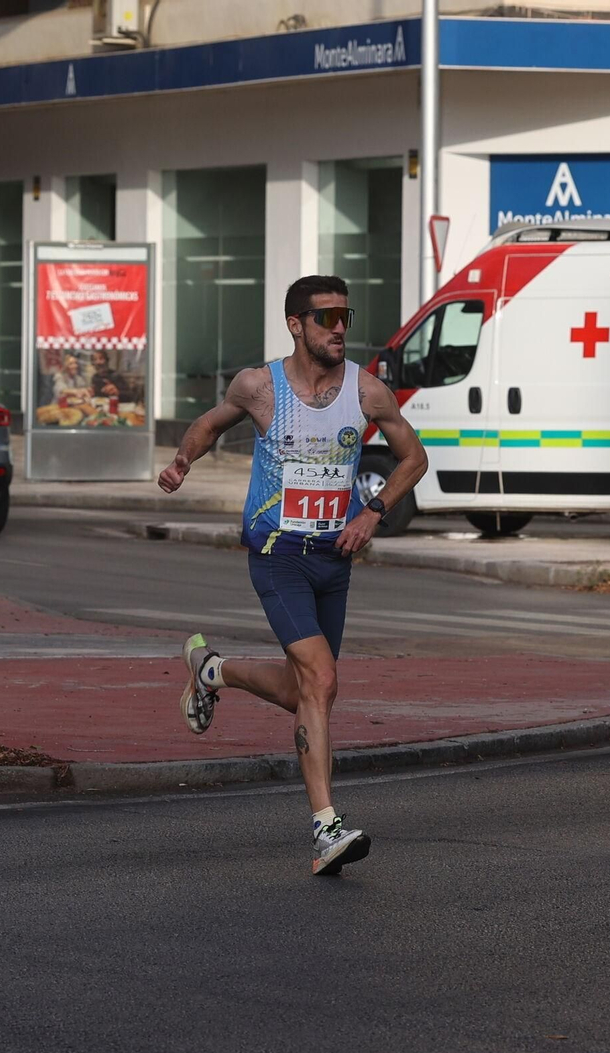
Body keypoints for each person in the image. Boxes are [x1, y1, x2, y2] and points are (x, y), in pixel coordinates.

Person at [158, 275, 428, 875]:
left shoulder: (365, 391)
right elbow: (210, 423)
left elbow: (414, 458)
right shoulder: (259, 387)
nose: (338, 329)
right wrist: (182, 460)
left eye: (345, 318)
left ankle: (212, 670)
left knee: (309, 689)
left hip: (334, 559)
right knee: (322, 677)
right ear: (296, 324)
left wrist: (373, 511)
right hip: (277, 553)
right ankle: (325, 826)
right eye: (325, 318)